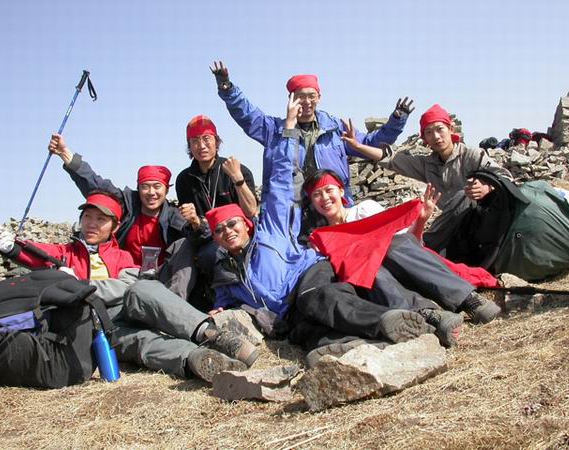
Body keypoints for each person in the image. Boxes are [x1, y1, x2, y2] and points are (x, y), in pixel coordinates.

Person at [206, 94, 438, 366]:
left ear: (246, 224)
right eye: (219, 230)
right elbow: (225, 300)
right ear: (215, 239)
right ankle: (354, 344)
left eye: (232, 224)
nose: (227, 232)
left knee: (319, 297)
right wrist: (219, 309)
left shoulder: (270, 231)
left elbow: (283, 177)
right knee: (304, 332)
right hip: (286, 307)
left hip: (306, 275)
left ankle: (387, 319)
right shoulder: (225, 273)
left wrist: (289, 128)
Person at [0, 192, 258, 383]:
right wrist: (11, 248)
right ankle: (197, 359)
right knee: (140, 341)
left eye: (101, 220)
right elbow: (34, 253)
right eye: (87, 217)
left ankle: (210, 334)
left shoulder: (123, 257)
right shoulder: (64, 253)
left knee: (144, 289)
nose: (92, 224)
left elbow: (129, 285)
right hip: (91, 325)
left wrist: (82, 286)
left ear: (114, 227)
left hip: (123, 307)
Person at [302, 168, 501, 342]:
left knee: (390, 244)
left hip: (407, 268)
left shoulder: (364, 210)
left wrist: (421, 220)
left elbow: (410, 245)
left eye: (329, 190)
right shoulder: (320, 239)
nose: (325, 198)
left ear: (341, 191)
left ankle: (469, 300)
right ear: (312, 201)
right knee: (362, 265)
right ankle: (429, 316)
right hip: (377, 287)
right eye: (317, 194)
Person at [210, 61, 414, 205]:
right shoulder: (274, 130)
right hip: (290, 209)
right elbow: (247, 115)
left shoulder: (336, 129)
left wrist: (397, 120)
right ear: (290, 99)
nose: (307, 102)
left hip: (333, 205)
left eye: (312, 96)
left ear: (319, 97)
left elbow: (372, 143)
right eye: (300, 96)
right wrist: (228, 90)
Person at [351, 104, 512, 252]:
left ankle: (425, 247)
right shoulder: (427, 165)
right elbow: (392, 160)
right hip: (456, 229)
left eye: (440, 129)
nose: (436, 136)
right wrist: (358, 146)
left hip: (485, 221)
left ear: (451, 129)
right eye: (429, 132)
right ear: (425, 139)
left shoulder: (472, 155)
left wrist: (488, 186)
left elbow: (506, 177)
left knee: (462, 195)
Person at [48, 134, 199, 270]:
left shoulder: (174, 215)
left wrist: (196, 222)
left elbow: (198, 237)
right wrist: (64, 153)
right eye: (145, 187)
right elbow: (96, 184)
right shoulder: (127, 204)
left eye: (157, 186)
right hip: (123, 274)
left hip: (163, 277)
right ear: (138, 189)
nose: (151, 192)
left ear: (166, 190)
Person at [175, 114, 258, 225]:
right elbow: (188, 223)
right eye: (195, 141)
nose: (201, 146)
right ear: (189, 146)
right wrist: (194, 219)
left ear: (216, 141)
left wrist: (238, 180)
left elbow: (251, 212)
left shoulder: (237, 170)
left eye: (206, 139)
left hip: (236, 232)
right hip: (203, 233)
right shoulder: (183, 179)